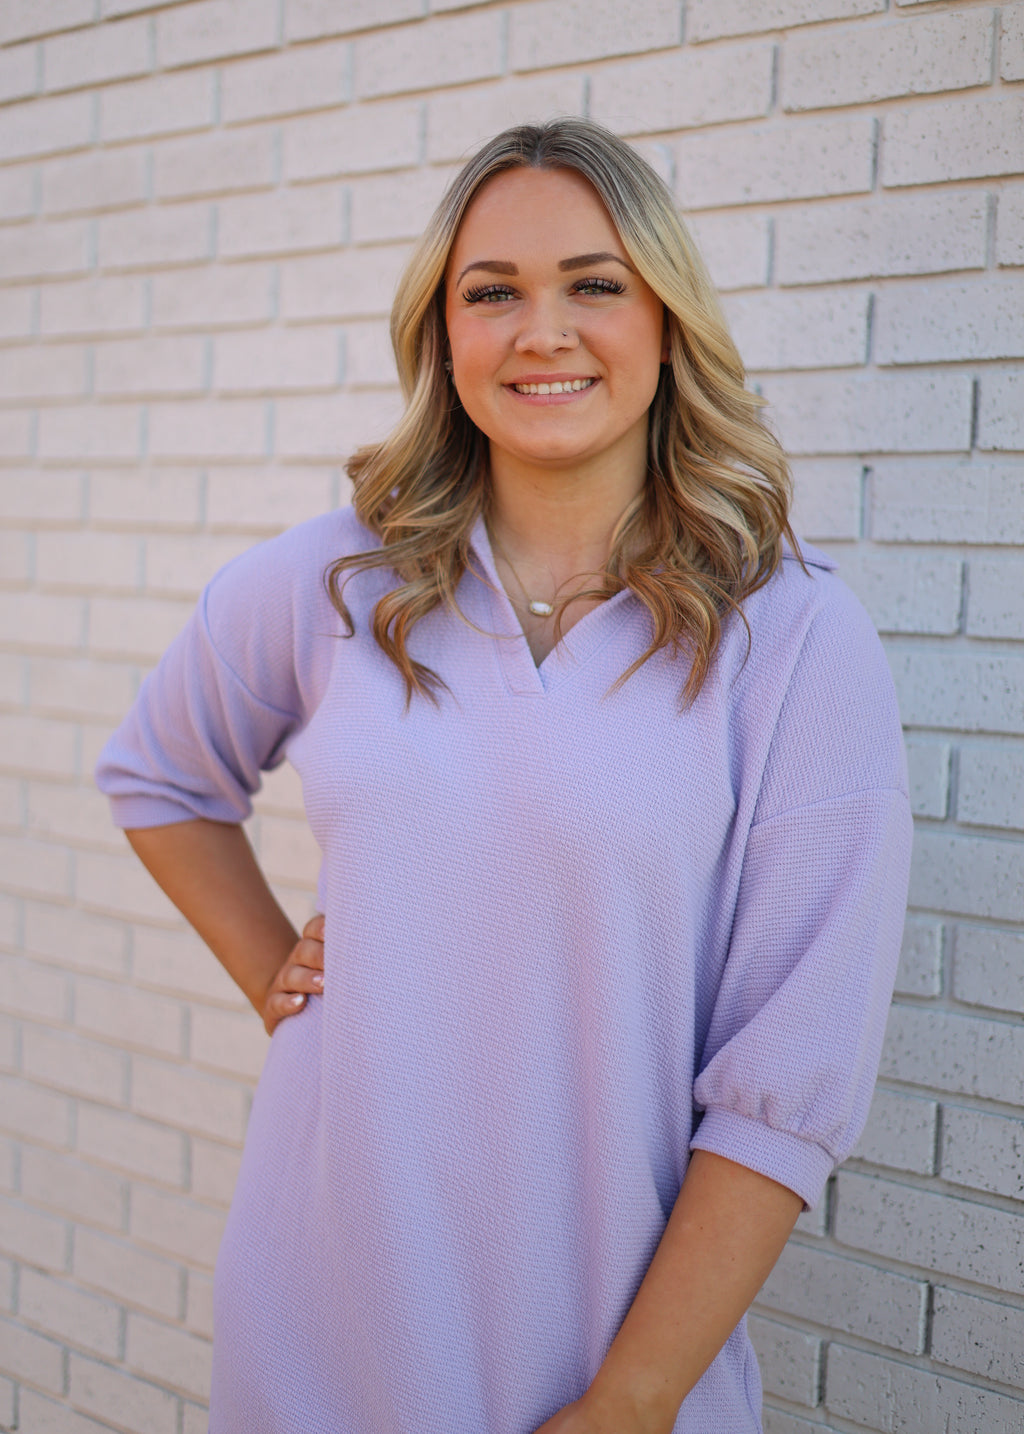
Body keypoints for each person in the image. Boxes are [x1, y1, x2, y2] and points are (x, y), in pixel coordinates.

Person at [95, 118, 913, 1434]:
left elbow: (784, 1087)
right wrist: (271, 972)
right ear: (444, 334)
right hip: (318, 1330)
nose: (543, 331)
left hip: (608, 1360)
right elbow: (158, 776)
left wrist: (634, 1399)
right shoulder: (334, 580)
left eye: (594, 283)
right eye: (494, 293)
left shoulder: (796, 638)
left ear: (665, 320)